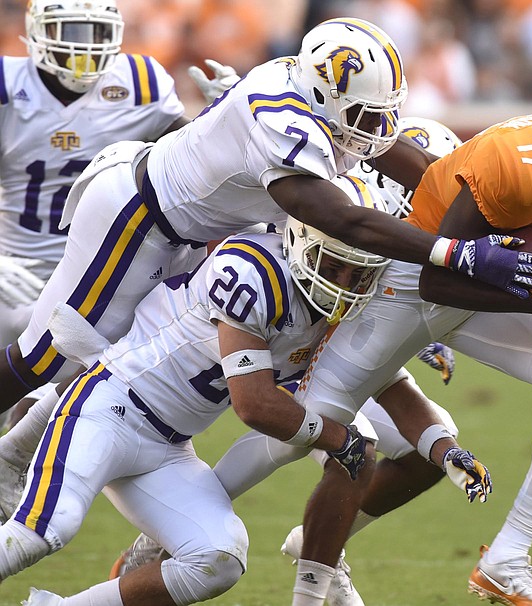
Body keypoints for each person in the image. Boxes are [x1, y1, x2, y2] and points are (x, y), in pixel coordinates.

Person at [189, 60, 532, 606]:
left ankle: (508, 557)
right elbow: (437, 280)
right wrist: (531, 292)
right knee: (305, 425)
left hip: (483, 284)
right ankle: (180, 522)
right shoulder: (515, 164)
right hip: (411, 288)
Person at [0, 16, 532, 520]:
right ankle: (12, 454)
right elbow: (339, 219)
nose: (376, 128)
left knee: (114, 360)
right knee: (45, 354)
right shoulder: (281, 116)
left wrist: (503, 223)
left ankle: (19, 448)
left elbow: (424, 173)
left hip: (201, 232)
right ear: (326, 95)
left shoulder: (322, 98)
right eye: (365, 115)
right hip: (142, 219)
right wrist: (459, 255)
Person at [0, 176, 491, 606]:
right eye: (333, 263)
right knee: (44, 531)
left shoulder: (347, 301)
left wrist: (447, 451)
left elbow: (390, 386)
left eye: (357, 272)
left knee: (218, 558)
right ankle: (18, 447)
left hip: (169, 447)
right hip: (110, 406)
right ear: (301, 238)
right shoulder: (255, 269)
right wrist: (339, 439)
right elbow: (254, 403)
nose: (342, 283)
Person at [108, 116, 468, 606]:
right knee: (318, 429)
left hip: (324, 351)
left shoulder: (380, 241)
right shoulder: (321, 221)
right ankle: (177, 537)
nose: (426, 225)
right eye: (424, 206)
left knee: (417, 438)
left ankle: (320, 549)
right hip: (267, 343)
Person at [0, 0, 194, 432]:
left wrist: (227, 116)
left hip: (98, 270)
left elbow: (191, 157)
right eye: (69, 30)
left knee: (40, 403)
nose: (83, 47)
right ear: (36, 29)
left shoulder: (139, 83)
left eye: (96, 33)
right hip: (13, 267)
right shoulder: (6, 85)